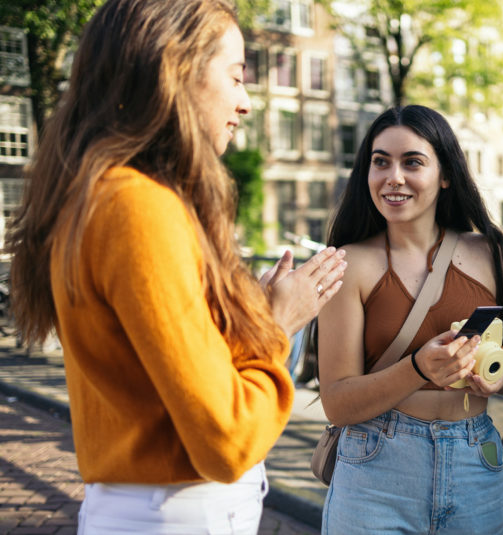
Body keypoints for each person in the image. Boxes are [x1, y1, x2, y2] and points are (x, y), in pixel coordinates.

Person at [5, 0, 346, 532]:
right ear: (176, 69)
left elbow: (156, 377)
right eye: (236, 77)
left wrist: (243, 317)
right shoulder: (138, 208)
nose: (246, 102)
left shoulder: (101, 196)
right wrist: (279, 326)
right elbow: (226, 439)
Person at [316, 105, 503, 534]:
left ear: (445, 174)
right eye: (380, 162)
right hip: (376, 467)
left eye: (412, 162)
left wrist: (495, 379)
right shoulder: (348, 264)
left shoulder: (492, 253)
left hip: (475, 462)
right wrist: (417, 368)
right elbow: (337, 403)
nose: (393, 177)